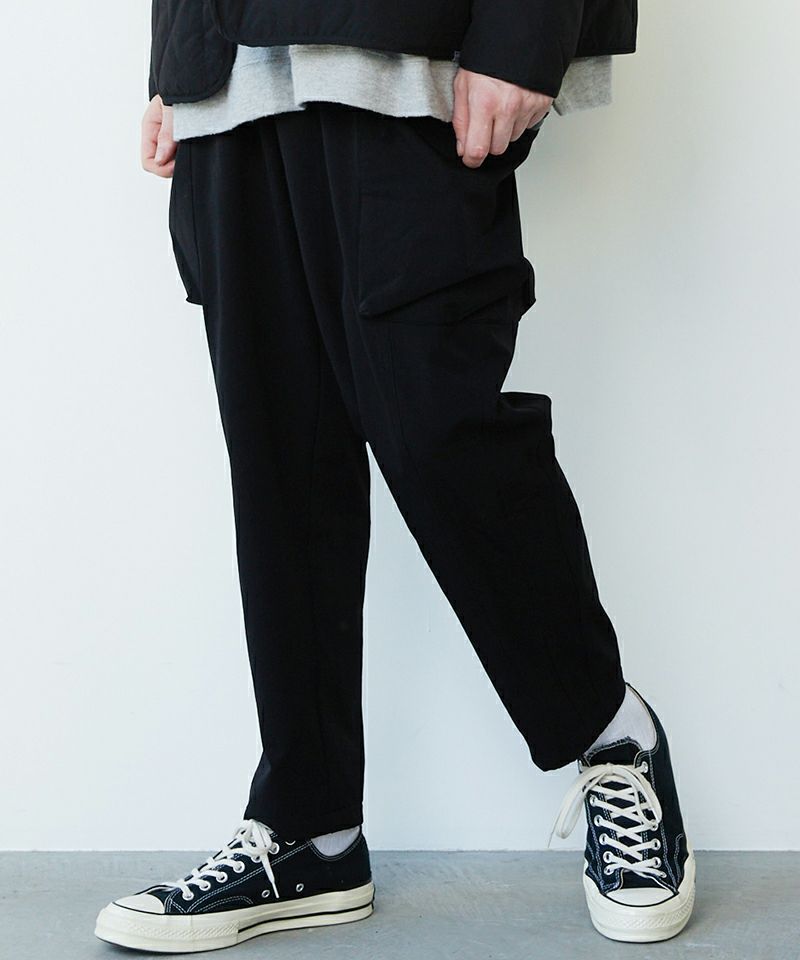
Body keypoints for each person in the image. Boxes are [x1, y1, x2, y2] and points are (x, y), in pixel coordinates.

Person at [95, 0, 695, 951]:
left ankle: (610, 734)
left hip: (410, 44)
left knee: (438, 429)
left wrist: (526, 33)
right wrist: (176, 61)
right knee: (278, 456)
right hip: (230, 71)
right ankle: (310, 829)